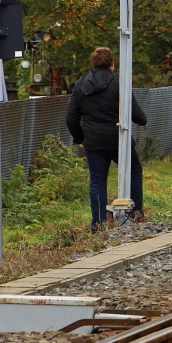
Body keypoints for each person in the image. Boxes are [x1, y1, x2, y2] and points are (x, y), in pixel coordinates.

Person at [66, 47, 147, 232]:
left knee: (97, 181)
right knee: (134, 171)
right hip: (118, 139)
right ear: (112, 63)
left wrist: (80, 138)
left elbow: (70, 118)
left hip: (93, 142)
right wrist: (143, 121)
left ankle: (99, 224)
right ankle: (135, 214)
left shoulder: (80, 85)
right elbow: (133, 110)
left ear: (93, 63)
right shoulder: (119, 84)